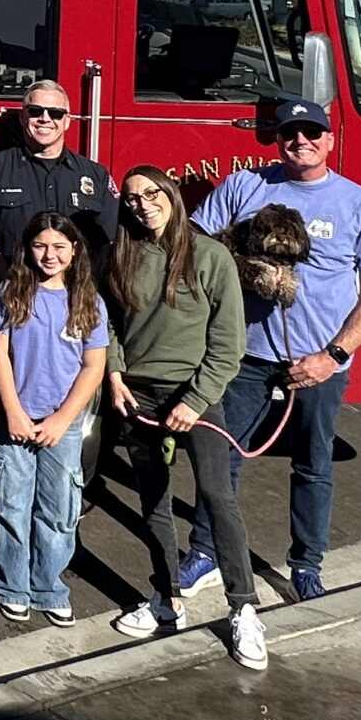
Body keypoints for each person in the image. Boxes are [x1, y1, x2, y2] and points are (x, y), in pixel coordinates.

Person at [182, 98, 361, 605]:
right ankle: (205, 552)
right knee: (221, 458)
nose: (299, 141)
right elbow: (194, 248)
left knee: (313, 464)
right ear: (277, 140)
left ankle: (306, 563)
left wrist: (333, 356)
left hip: (318, 362)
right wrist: (240, 265)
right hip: (245, 355)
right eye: (289, 133)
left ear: (330, 140)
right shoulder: (245, 186)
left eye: (310, 132)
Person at [103, 167, 265, 669]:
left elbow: (228, 343)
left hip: (196, 396)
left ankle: (244, 608)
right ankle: (167, 598)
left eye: (152, 193)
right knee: (153, 500)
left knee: (217, 497)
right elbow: (108, 322)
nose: (143, 204)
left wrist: (195, 401)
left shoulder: (210, 256)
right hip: (137, 396)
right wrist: (114, 373)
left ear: (171, 195)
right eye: (132, 198)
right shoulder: (121, 255)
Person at [0, 214, 110, 626]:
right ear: (27, 248)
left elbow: (93, 366)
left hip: (64, 424)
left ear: (74, 250)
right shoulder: (10, 292)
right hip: (15, 420)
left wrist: (62, 419)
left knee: (59, 508)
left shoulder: (87, 299)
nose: (49, 255)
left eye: (59, 247)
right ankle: (12, 586)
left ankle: (48, 586)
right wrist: (13, 410)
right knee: (11, 504)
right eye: (40, 246)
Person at [0, 81, 121, 287]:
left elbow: (108, 244)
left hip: (76, 294)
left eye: (55, 113)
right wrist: (15, 290)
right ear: (23, 117)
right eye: (35, 111)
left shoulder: (95, 175)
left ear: (67, 121)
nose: (45, 118)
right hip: (13, 295)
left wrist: (80, 289)